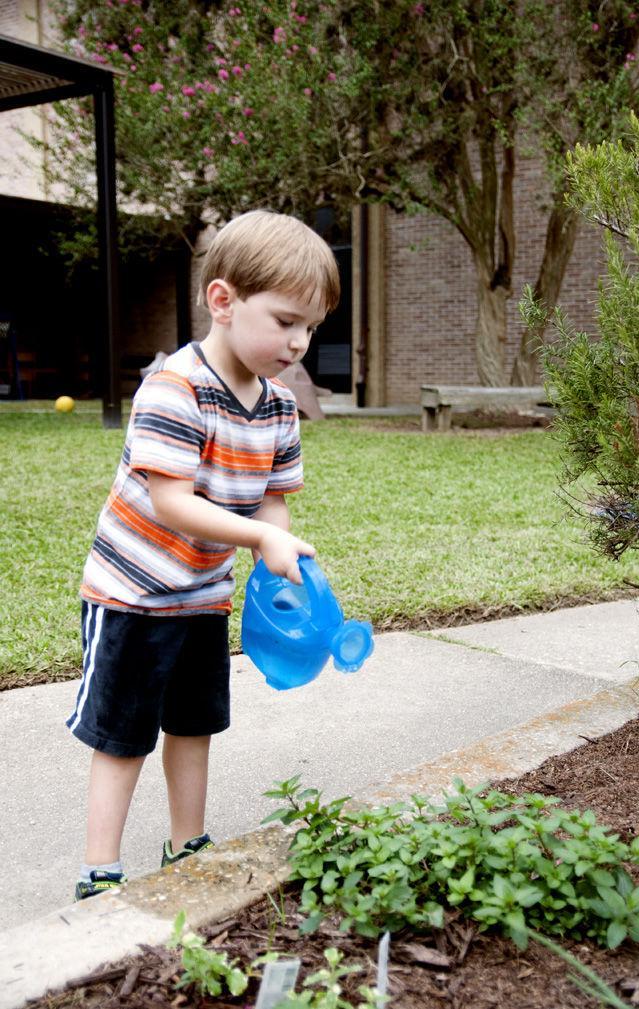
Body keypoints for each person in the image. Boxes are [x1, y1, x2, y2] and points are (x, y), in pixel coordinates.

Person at [67, 209, 340, 900]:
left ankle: (188, 845)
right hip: (132, 591)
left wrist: (273, 559)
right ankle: (100, 865)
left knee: (194, 724)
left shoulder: (279, 408)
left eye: (311, 327)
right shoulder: (174, 387)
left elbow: (271, 500)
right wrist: (258, 536)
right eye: (285, 321)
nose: (300, 342)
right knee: (123, 731)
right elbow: (172, 500)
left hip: (201, 596)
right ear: (222, 300)